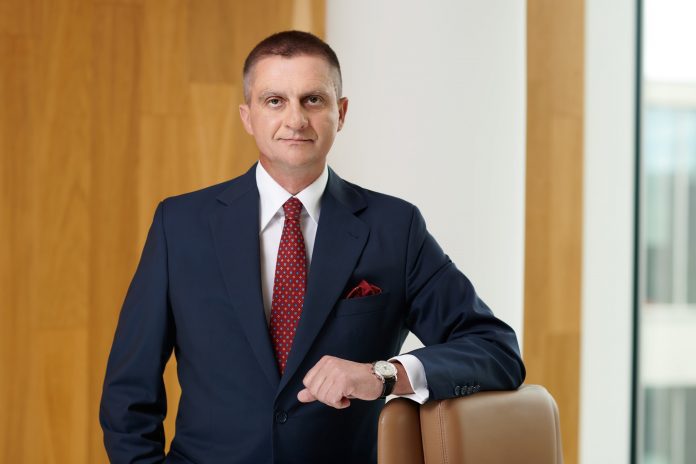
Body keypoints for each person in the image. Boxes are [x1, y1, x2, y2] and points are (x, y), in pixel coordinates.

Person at [99, 30, 525, 464]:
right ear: (248, 116)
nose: (296, 119)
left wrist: (383, 374)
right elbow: (130, 390)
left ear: (341, 113)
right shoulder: (180, 225)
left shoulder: (395, 229)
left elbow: (496, 350)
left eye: (313, 100)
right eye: (274, 101)